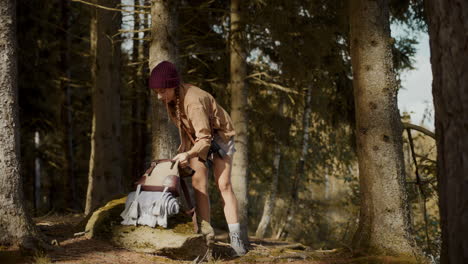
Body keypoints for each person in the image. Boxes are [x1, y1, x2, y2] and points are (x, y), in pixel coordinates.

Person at [149, 61, 248, 256]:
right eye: (156, 92)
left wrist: (189, 153)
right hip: (198, 139)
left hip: (219, 137)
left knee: (224, 185)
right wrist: (184, 153)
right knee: (198, 183)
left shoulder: (193, 102)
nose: (159, 96)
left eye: (162, 91)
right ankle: (206, 238)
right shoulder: (171, 100)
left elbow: (205, 138)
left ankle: (237, 242)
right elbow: (188, 130)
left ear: (173, 85)